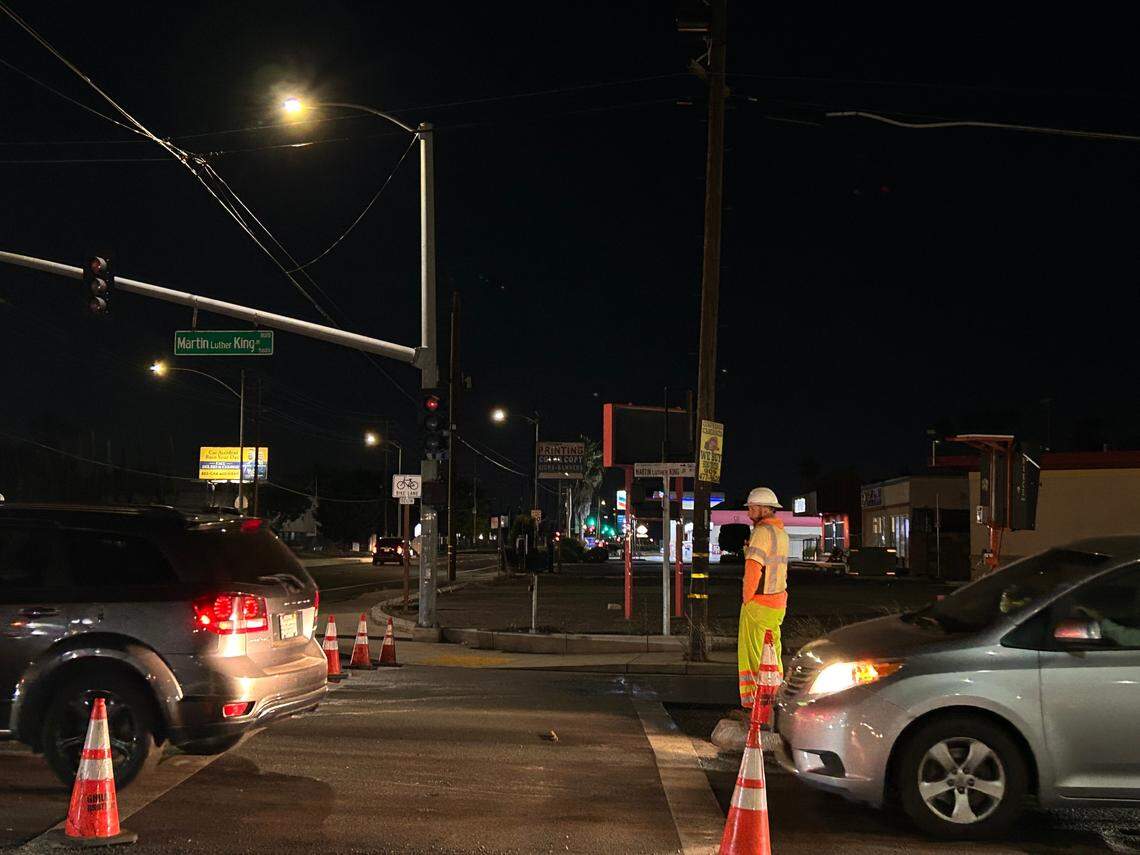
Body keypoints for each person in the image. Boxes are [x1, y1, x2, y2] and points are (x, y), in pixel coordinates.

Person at [738, 486, 790, 711]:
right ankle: (773, 697)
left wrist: (747, 598)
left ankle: (754, 703)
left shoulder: (761, 532)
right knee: (772, 652)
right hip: (778, 602)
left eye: (752, 507)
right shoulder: (781, 533)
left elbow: (753, 568)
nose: (749, 512)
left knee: (752, 655)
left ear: (763, 509)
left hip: (759, 602)